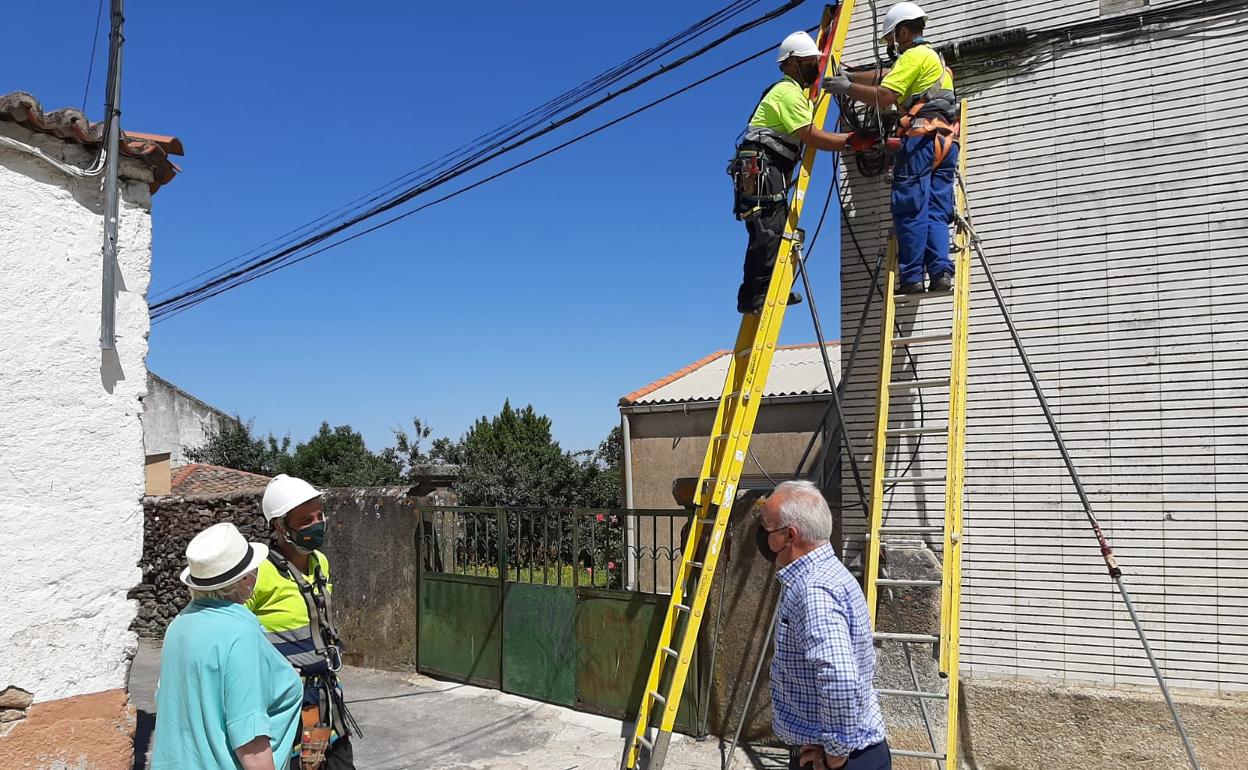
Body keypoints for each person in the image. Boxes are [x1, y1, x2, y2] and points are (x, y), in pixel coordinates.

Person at [823, 2, 959, 295]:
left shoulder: (913, 56)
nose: (893, 45)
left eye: (894, 38)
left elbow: (884, 95)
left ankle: (911, 278)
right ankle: (940, 273)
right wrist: (852, 78)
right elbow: (885, 77)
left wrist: (846, 89)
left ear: (905, 31)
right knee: (936, 210)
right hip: (946, 143)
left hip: (921, 139)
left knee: (910, 207)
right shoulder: (935, 60)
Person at [756, 481, 891, 770]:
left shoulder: (814, 589)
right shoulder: (828, 573)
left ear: (788, 536)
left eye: (766, 528)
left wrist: (835, 757)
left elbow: (840, 677)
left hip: (839, 760)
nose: (762, 536)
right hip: (839, 753)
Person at [151, 522, 302, 770]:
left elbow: (182, 702)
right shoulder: (240, 634)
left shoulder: (178, 626)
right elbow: (250, 742)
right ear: (245, 580)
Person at [731, 31, 861, 315]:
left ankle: (765, 289)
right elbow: (811, 135)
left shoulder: (797, 95)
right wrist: (853, 141)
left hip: (766, 167)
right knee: (767, 230)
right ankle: (756, 296)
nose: (813, 65)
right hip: (762, 167)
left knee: (770, 230)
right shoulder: (787, 93)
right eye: (808, 61)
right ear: (791, 64)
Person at [247, 474, 357, 770]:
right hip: (290, 704)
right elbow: (238, 637)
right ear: (280, 526)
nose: (318, 524)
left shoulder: (321, 562)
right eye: (306, 519)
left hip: (325, 699)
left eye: (320, 515)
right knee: (304, 766)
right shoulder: (259, 573)